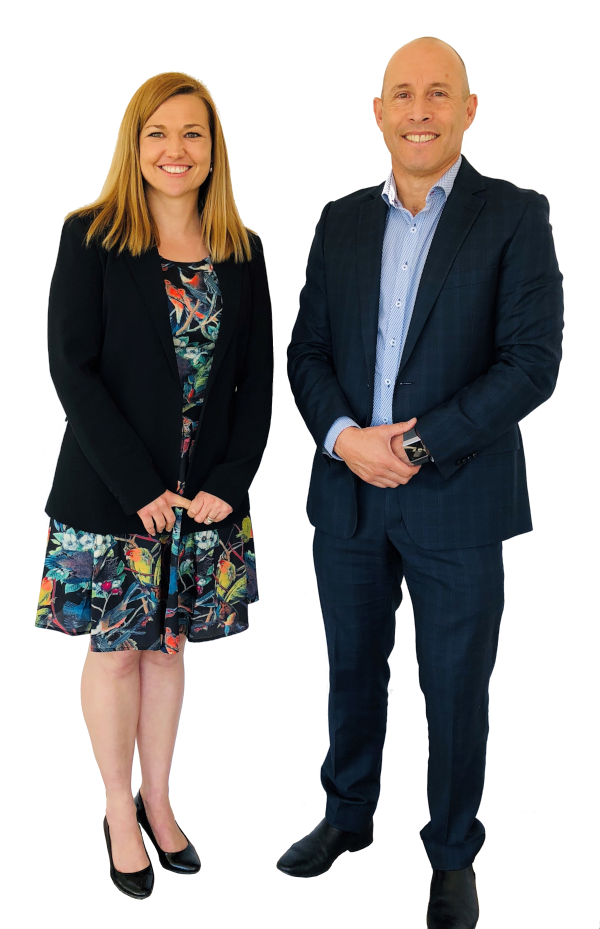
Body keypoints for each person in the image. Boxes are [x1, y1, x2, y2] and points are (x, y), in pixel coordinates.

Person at [282, 35, 563, 927]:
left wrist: (419, 443)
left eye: (439, 93)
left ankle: (450, 854)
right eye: (402, 93)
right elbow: (307, 352)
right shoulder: (339, 221)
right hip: (348, 494)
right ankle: (347, 816)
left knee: (455, 683)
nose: (419, 110)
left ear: (468, 110)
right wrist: (343, 438)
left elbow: (532, 362)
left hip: (460, 495)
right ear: (378, 112)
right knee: (352, 667)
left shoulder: (515, 214)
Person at [34, 71, 273, 900]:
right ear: (135, 146)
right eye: (159, 133)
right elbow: (72, 367)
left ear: (213, 149)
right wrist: (139, 486)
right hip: (112, 495)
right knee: (115, 655)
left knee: (168, 650)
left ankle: (160, 798)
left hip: (201, 500)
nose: (177, 149)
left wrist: (231, 482)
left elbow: (255, 380)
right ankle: (116, 808)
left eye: (193, 133)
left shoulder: (242, 249)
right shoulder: (91, 234)